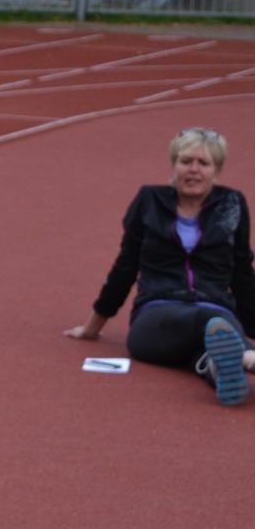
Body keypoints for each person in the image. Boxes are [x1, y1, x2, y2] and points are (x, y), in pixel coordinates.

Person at [65, 128, 255, 405]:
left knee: (212, 338)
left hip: (215, 305)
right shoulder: (149, 200)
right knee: (210, 324)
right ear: (173, 164)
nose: (193, 170)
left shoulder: (232, 204)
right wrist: (92, 326)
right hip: (156, 315)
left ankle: (217, 368)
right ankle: (246, 357)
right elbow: (126, 264)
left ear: (216, 171)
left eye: (203, 163)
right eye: (186, 161)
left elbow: (242, 272)